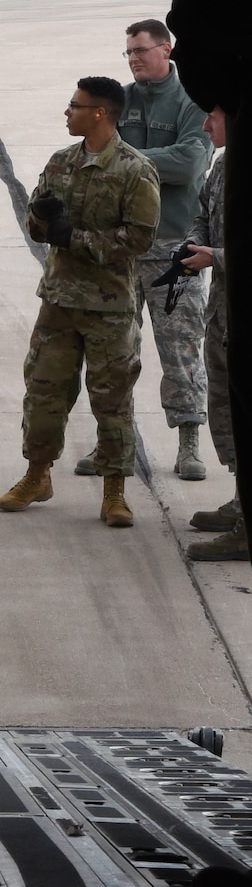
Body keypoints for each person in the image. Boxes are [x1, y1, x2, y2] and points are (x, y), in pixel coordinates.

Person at [0, 78, 160, 527]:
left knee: (112, 402)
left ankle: (114, 492)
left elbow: (141, 237)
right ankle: (37, 474)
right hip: (59, 302)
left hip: (109, 307)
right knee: (44, 394)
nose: (66, 113)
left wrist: (79, 238)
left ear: (100, 114)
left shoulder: (135, 169)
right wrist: (41, 217)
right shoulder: (60, 162)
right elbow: (36, 224)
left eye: (75, 106)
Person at [71, 19, 211, 480]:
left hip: (175, 249)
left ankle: (189, 441)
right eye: (128, 52)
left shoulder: (191, 98)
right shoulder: (120, 100)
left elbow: (191, 161)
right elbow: (93, 148)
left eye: (141, 50)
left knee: (181, 348)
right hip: (122, 248)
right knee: (114, 351)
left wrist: (125, 161)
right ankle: (112, 444)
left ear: (166, 49)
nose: (133, 59)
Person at [179, 109, 242, 558]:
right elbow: (203, 210)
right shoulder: (223, 164)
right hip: (222, 308)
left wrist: (214, 257)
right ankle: (243, 503)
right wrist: (196, 245)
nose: (205, 127)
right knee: (225, 403)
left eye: (213, 117)